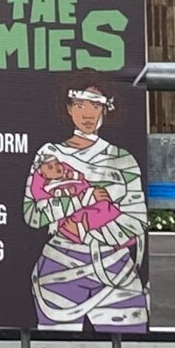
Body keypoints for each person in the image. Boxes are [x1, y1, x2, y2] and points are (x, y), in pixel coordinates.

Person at [20, 81, 151, 333]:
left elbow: (136, 220)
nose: (87, 113)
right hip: (60, 269)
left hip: (116, 270)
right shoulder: (49, 155)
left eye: (95, 104)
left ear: (106, 109)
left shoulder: (121, 158)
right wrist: (82, 200)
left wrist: (86, 227)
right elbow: (33, 214)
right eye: (79, 105)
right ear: (69, 108)